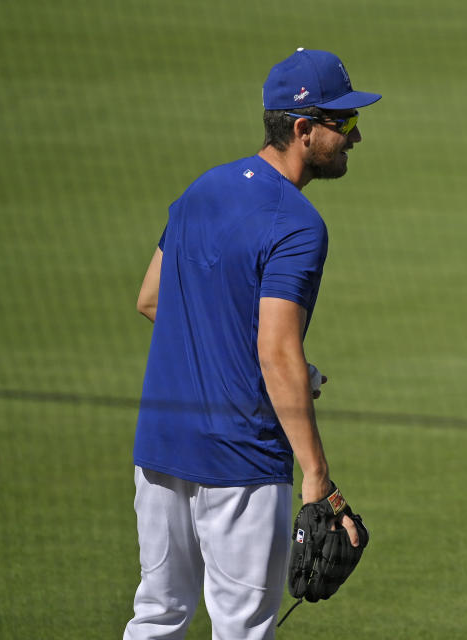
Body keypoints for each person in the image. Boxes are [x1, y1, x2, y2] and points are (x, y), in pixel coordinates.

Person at [124, 48, 380, 639]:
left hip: (161, 445)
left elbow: (152, 299)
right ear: (303, 129)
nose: (356, 136)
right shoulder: (295, 222)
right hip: (239, 460)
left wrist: (262, 366)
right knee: (241, 629)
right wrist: (317, 477)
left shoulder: (201, 190)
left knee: (157, 615)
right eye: (343, 123)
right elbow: (276, 351)